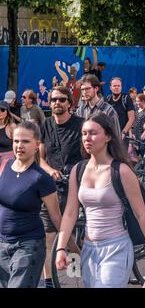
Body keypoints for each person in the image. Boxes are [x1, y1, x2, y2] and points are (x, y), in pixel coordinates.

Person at [55, 114, 145, 288]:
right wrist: (60, 248)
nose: (87, 138)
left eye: (93, 133)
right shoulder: (78, 170)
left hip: (116, 248)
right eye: (84, 133)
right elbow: (70, 213)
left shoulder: (122, 171)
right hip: (89, 249)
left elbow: (141, 215)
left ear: (108, 136)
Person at [0, 121, 62, 288]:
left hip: (28, 247)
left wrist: (69, 248)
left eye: (25, 141)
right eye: (16, 141)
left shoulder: (42, 178)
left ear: (36, 145)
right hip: (2, 246)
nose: (19, 146)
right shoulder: (6, 167)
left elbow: (56, 218)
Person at [39, 86, 84, 288]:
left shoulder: (80, 125)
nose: (57, 103)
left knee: (71, 233)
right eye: (54, 99)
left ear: (69, 103)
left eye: (62, 100)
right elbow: (39, 158)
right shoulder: (46, 125)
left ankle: (75, 277)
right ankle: (49, 281)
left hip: (76, 185)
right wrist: (49, 170)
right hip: (51, 187)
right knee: (48, 234)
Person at [0, 101, 16, 168]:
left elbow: (18, 144)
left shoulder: (12, 126)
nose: (0, 112)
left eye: (3, 110)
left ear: (8, 112)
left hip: (8, 161)